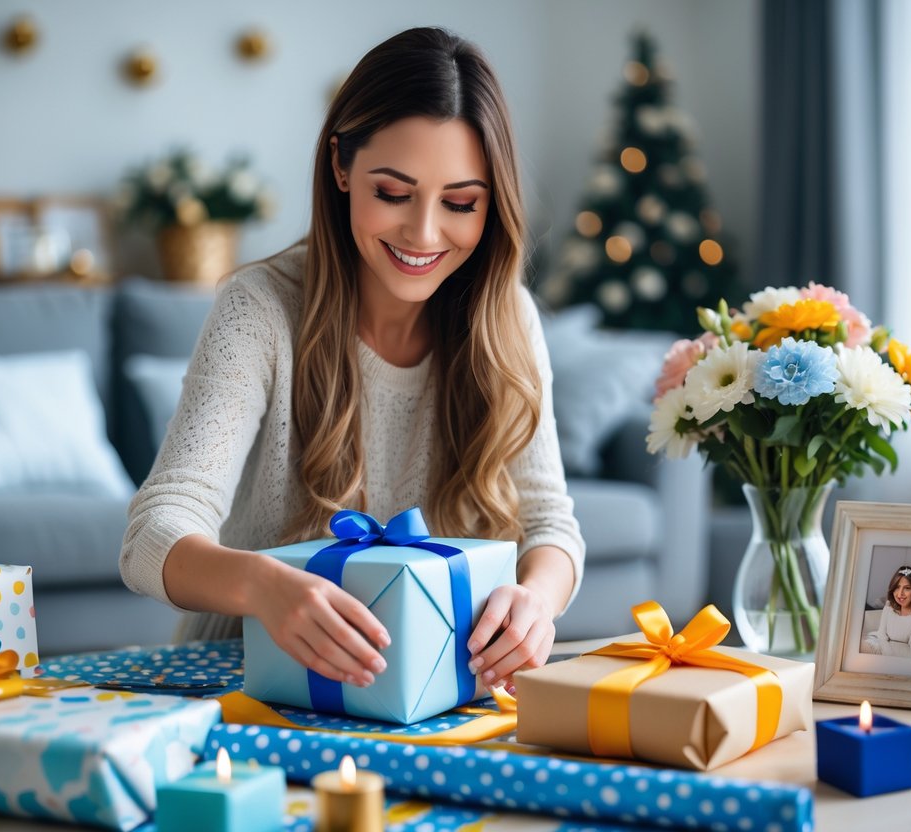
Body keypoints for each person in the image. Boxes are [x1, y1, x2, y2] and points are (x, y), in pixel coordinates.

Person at [119, 27, 585, 694]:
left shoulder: (508, 316)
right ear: (340, 166)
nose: (423, 234)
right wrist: (264, 585)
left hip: (435, 690)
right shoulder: (259, 310)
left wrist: (536, 600)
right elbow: (152, 536)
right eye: (392, 193)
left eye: (460, 203)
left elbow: (551, 525)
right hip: (249, 681)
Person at [860, 565, 911, 659]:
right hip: (875, 643)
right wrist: (889, 649)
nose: (900, 594)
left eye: (907, 588)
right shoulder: (889, 606)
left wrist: (888, 651)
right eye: (897, 587)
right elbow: (881, 634)